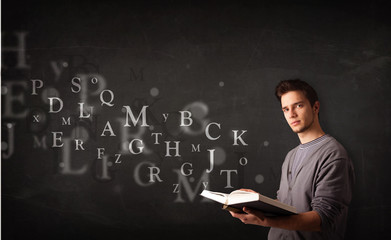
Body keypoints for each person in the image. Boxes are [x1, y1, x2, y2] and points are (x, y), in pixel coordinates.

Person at [229, 79, 354, 240]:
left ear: (315, 107)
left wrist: (264, 220)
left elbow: (322, 219)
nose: (291, 114)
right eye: (286, 109)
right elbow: (285, 205)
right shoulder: (291, 156)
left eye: (298, 106)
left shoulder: (334, 154)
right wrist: (257, 202)